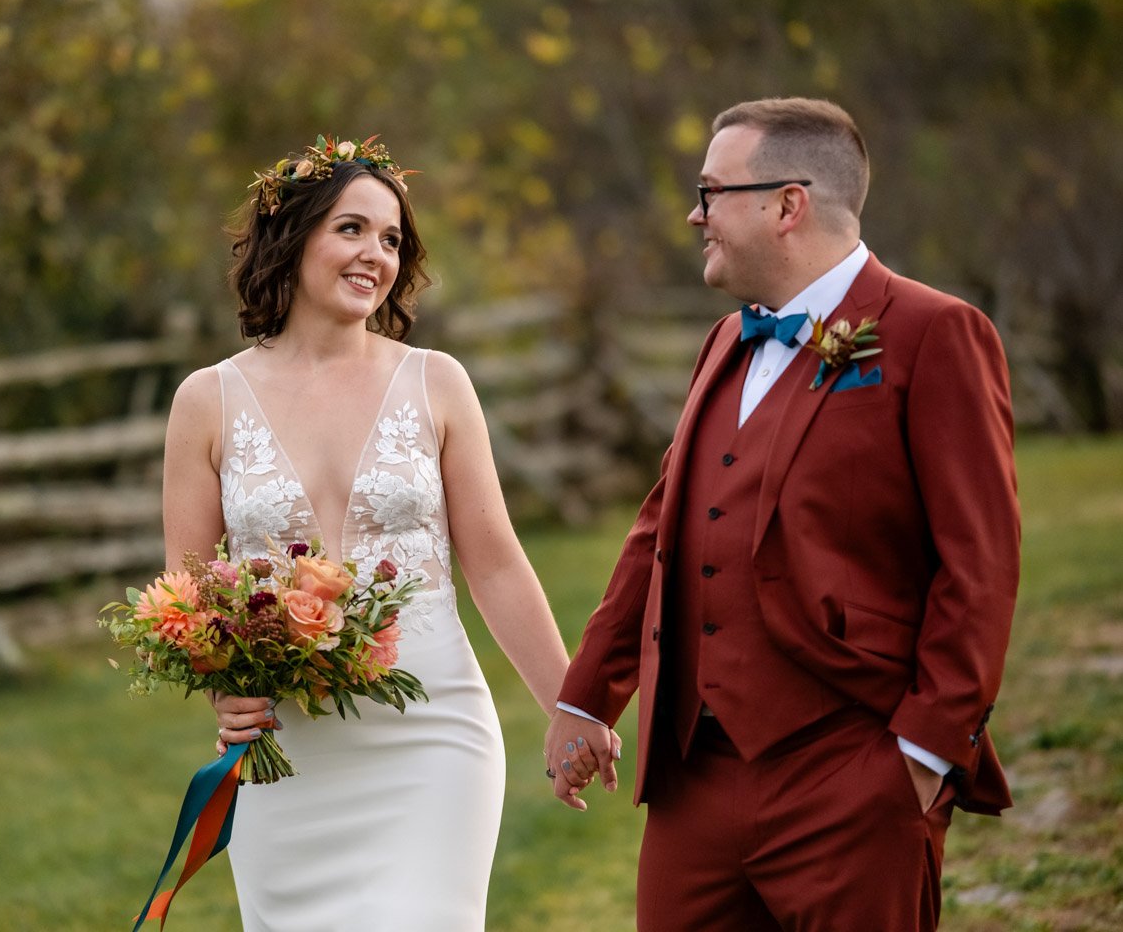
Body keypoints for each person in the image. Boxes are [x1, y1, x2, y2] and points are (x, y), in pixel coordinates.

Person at [543, 98, 1020, 931]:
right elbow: (662, 532)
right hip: (693, 778)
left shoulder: (935, 333)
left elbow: (979, 562)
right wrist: (586, 701)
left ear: (787, 204)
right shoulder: (725, 340)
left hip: (852, 773)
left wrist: (922, 755)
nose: (696, 214)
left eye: (713, 191)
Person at [161, 134, 571, 930]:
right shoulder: (206, 401)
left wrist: (570, 709)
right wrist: (227, 689)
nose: (374, 255)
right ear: (293, 237)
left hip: (433, 738)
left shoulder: (438, 382)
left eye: (390, 240)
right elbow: (191, 593)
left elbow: (495, 566)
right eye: (351, 229)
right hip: (288, 758)